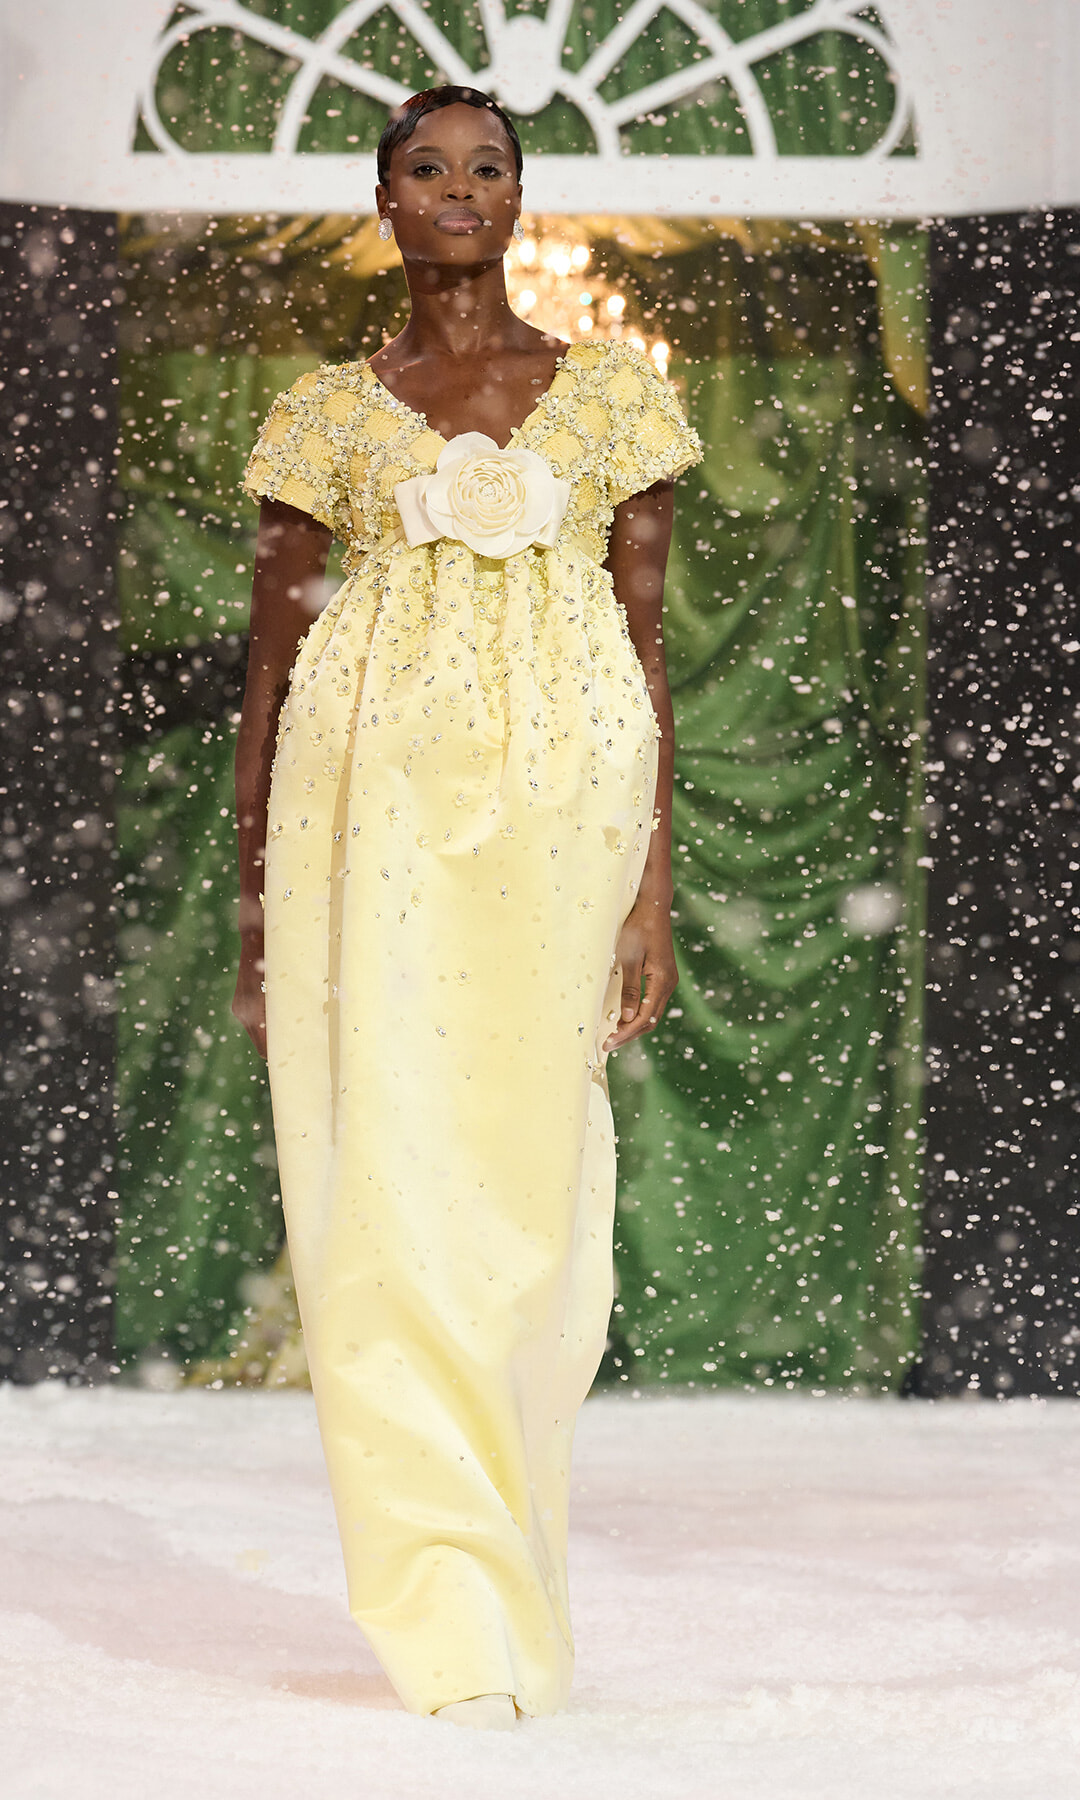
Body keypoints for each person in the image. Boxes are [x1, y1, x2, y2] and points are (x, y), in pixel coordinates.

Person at [233, 84, 701, 1729]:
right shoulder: (326, 416)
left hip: (566, 815)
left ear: (521, 197)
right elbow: (273, 666)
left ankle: (512, 1550)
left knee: (529, 1183)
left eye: (486, 167)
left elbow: (647, 654)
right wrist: (249, 913)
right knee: (386, 1186)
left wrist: (652, 879)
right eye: (425, 168)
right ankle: (440, 1595)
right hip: (363, 816)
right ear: (383, 200)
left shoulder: (615, 403)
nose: (458, 191)